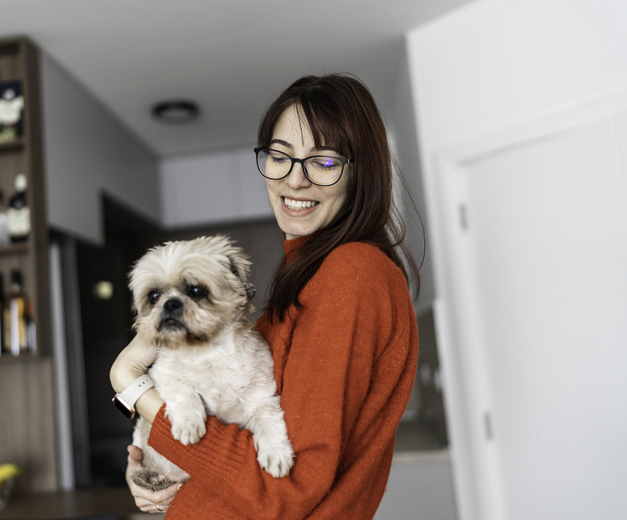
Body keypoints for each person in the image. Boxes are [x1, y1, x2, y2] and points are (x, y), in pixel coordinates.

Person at [110, 73, 420, 518]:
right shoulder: (306, 275)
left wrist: (130, 382)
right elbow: (236, 448)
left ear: (362, 170)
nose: (295, 180)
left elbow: (289, 485)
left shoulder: (352, 273)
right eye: (280, 156)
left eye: (324, 162)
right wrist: (160, 465)